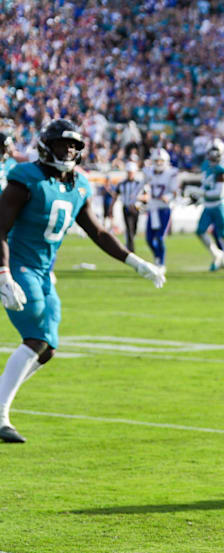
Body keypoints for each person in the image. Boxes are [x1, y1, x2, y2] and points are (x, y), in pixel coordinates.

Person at [0, 119, 165, 444]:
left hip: (45, 271)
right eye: (63, 144)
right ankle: (1, 415)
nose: (69, 150)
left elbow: (99, 232)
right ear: (47, 146)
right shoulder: (25, 179)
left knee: (47, 349)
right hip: (18, 266)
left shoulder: (78, 185)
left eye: (74, 145)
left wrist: (135, 261)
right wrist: (3, 272)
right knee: (36, 337)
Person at [196, 138, 224, 276]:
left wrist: (199, 192)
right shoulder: (205, 165)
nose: (213, 156)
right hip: (208, 204)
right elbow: (205, 183)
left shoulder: (223, 168)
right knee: (200, 231)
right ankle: (218, 254)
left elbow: (219, 192)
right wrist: (200, 196)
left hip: (220, 204)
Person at [143, 148, 180, 269]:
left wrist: (168, 197)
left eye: (161, 161)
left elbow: (175, 192)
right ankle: (157, 258)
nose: (158, 163)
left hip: (164, 208)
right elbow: (143, 185)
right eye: (156, 161)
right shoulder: (149, 172)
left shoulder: (171, 173)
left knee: (159, 237)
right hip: (152, 208)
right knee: (149, 239)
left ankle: (161, 263)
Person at [111, 161, 146, 253]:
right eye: (129, 172)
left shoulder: (139, 183)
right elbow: (115, 196)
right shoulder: (121, 184)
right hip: (126, 208)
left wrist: (139, 197)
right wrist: (111, 208)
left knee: (134, 229)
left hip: (136, 209)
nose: (130, 174)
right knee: (129, 229)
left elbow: (147, 197)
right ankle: (131, 250)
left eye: (131, 172)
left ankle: (129, 244)